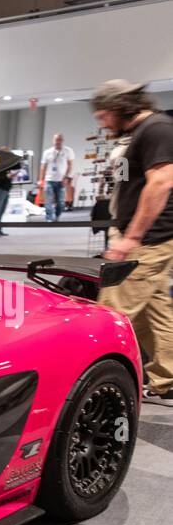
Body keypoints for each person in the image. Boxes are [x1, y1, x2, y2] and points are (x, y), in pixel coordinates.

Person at [93, 79, 173, 406]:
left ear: (118, 108)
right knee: (154, 313)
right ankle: (167, 378)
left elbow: (162, 182)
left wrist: (132, 238)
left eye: (103, 115)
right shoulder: (141, 132)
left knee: (110, 314)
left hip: (147, 240)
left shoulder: (156, 128)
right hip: (148, 238)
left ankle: (95, 388)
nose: (101, 122)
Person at [39, 133, 74, 222]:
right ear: (53, 140)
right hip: (49, 180)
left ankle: (57, 216)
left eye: (59, 140)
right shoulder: (47, 152)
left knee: (61, 203)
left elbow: (70, 165)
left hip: (61, 180)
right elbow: (43, 167)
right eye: (56, 140)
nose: (57, 142)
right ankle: (49, 218)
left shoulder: (68, 151)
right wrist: (41, 180)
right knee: (48, 200)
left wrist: (66, 178)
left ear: (62, 141)